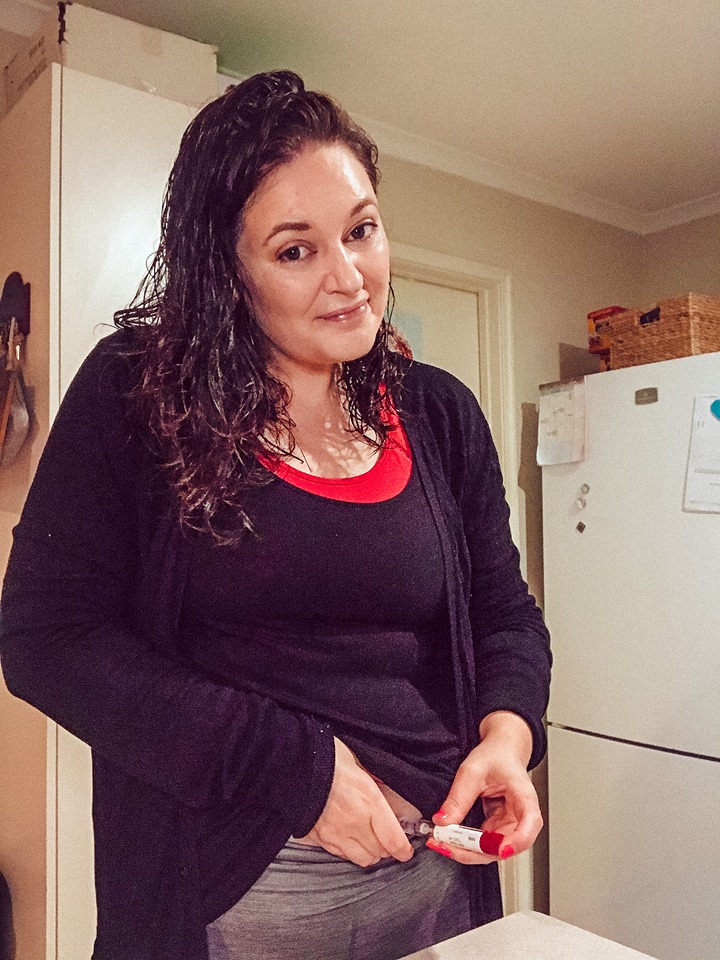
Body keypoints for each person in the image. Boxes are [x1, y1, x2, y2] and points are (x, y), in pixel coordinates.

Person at [0, 71, 551, 960]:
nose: (350, 277)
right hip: (239, 891)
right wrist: (297, 769)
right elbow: (46, 641)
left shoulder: (440, 412)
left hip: (439, 877)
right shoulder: (138, 393)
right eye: (296, 251)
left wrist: (508, 731)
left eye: (361, 230)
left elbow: (505, 612)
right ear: (227, 272)